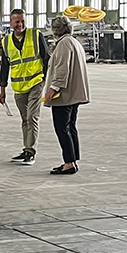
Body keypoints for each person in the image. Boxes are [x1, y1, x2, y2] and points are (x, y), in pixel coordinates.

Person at [0, 8, 49, 165]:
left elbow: (48, 58)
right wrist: (2, 90)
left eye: (22, 21)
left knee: (32, 117)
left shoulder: (36, 35)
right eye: (17, 21)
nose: (20, 24)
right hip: (19, 87)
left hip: (36, 83)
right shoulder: (6, 42)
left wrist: (44, 80)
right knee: (25, 119)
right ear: (11, 22)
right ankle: (26, 149)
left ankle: (30, 151)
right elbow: (4, 67)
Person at [43, 15, 90, 175]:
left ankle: (69, 163)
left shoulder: (64, 44)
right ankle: (73, 159)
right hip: (75, 93)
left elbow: (62, 69)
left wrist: (54, 88)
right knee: (70, 126)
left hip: (64, 95)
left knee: (61, 128)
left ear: (55, 30)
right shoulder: (75, 42)